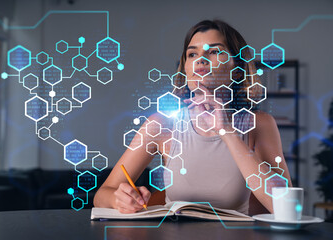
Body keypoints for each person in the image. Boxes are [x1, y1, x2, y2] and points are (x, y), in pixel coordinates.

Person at [93, 19, 292, 215]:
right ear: (185, 67)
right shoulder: (161, 125)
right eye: (192, 54)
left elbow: (286, 206)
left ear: (238, 70)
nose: (201, 59)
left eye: (214, 51)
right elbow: (101, 195)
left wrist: (226, 131)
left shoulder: (258, 124)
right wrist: (119, 199)